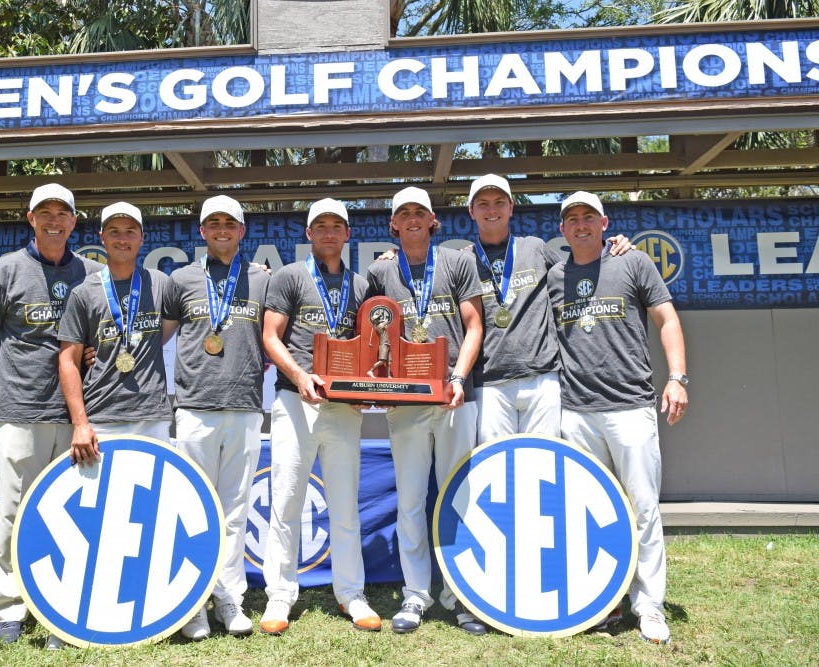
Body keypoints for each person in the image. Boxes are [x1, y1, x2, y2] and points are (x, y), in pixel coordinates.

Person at [548, 191, 689, 645]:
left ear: (605, 223)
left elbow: (666, 319)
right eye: (572, 219)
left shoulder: (633, 263)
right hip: (577, 412)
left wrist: (678, 377)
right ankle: (602, 602)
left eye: (589, 217)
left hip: (630, 407)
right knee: (590, 513)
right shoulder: (553, 276)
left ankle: (648, 604)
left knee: (643, 509)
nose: (581, 224)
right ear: (564, 229)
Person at [0, 183, 101, 645]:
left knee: (71, 514)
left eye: (63, 213)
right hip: (19, 412)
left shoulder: (93, 274)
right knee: (13, 513)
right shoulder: (4, 272)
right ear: (30, 218)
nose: (54, 220)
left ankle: (59, 608)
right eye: (45, 212)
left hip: (77, 414)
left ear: (74, 222)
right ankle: (10, 608)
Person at [365, 186, 484, 635]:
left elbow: (474, 325)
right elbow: (370, 334)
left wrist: (458, 376)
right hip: (406, 403)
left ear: (433, 220)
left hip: (455, 396)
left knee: (459, 499)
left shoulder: (456, 262)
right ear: (393, 223)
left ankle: (460, 595)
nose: (412, 219)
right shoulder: (380, 272)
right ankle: (416, 594)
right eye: (403, 214)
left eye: (420, 212)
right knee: (411, 501)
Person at [259, 198, 381, 635]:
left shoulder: (361, 284)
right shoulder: (291, 277)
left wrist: (366, 386)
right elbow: (271, 337)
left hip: (342, 408)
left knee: (346, 503)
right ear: (308, 233)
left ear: (348, 233)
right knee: (287, 499)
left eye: (337, 225)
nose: (329, 232)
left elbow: (370, 346)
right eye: (320, 226)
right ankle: (279, 595)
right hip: (295, 401)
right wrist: (299, 375)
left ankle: (352, 594)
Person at [164, 194, 270, 639]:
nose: (222, 229)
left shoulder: (263, 281)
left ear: (242, 231)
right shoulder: (181, 279)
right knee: (191, 508)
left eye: (231, 223)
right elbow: (157, 337)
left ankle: (229, 598)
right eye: (214, 223)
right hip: (193, 408)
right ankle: (191, 603)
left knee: (234, 511)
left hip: (245, 408)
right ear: (202, 231)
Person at [466, 174, 633, 444]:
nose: (492, 209)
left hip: (542, 378)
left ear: (511, 207)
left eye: (499, 202)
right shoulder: (463, 260)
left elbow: (581, 266)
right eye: (483, 203)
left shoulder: (535, 248)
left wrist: (612, 245)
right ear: (471, 211)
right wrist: (392, 255)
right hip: (489, 383)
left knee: (542, 464)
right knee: (497, 468)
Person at [57, 201, 175, 465]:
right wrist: (80, 423)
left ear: (142, 238)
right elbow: (67, 360)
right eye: (114, 231)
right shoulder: (83, 292)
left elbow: (202, 290)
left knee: (152, 505)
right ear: (102, 237)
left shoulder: (161, 284)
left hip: (151, 419)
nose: (123, 239)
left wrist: (256, 270)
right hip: (100, 418)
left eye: (130, 231)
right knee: (100, 505)